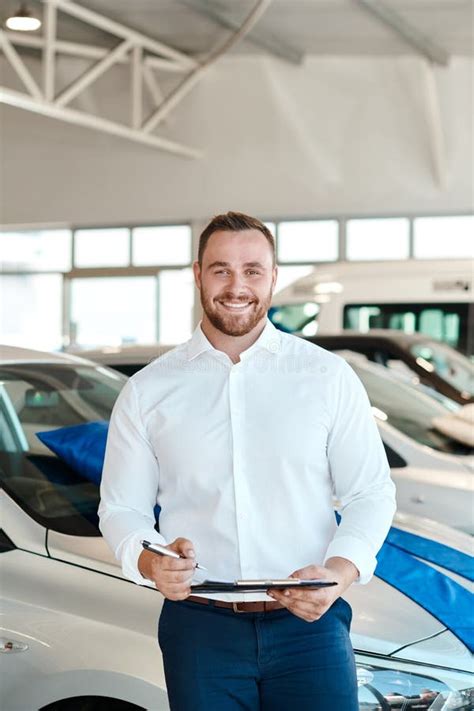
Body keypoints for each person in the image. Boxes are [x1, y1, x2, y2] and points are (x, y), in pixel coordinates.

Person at [99, 211, 396, 711]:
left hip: (308, 628)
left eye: (253, 270)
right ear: (197, 274)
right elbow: (121, 509)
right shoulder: (148, 389)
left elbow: (370, 493)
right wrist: (151, 561)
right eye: (221, 270)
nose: (237, 286)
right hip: (200, 629)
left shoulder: (326, 376)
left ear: (274, 277)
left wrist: (340, 574)